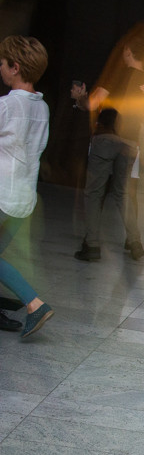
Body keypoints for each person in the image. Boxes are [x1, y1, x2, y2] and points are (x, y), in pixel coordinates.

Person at [74, 33, 144, 261]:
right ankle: (135, 242)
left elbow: (93, 103)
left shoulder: (119, 74)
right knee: (124, 193)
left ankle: (92, 246)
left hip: (107, 137)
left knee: (94, 192)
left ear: (128, 51)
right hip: (130, 142)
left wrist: (79, 98)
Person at [0, 35, 54, 338]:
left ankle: (35, 304)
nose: (0, 68)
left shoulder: (7, 105)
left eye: (2, 63)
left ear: (15, 67)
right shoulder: (42, 108)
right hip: (23, 199)